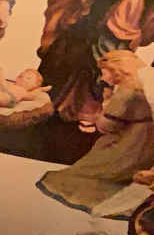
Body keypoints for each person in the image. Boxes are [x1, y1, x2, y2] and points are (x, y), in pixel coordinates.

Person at [37, 51, 154, 211]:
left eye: (104, 72)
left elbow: (107, 126)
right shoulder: (146, 83)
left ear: (117, 69)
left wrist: (106, 102)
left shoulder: (126, 91)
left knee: (83, 173)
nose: (103, 78)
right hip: (148, 144)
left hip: (130, 143)